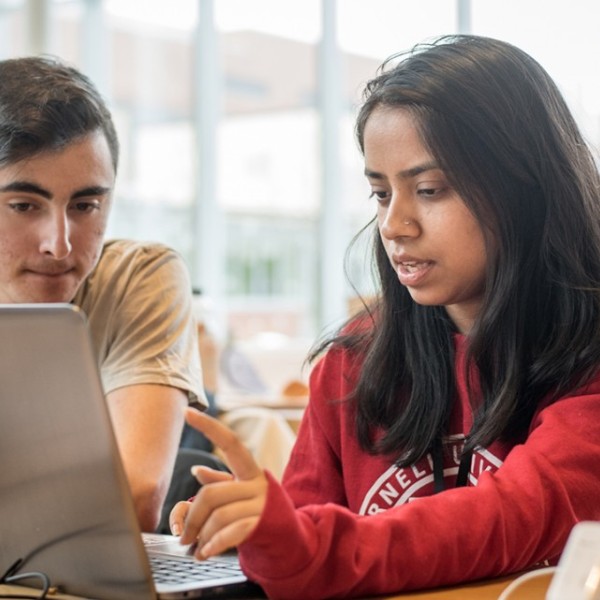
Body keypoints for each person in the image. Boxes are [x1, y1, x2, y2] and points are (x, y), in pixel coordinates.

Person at [169, 34, 600, 598]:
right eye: (379, 193)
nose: (396, 225)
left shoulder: (586, 362)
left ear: (525, 186)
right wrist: (246, 527)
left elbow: (509, 517)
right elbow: (297, 550)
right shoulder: (354, 363)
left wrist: (303, 546)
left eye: (429, 189)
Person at [0, 55, 205, 533]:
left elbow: (130, 500)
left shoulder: (138, 276)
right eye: (23, 205)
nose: (59, 243)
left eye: (85, 205)